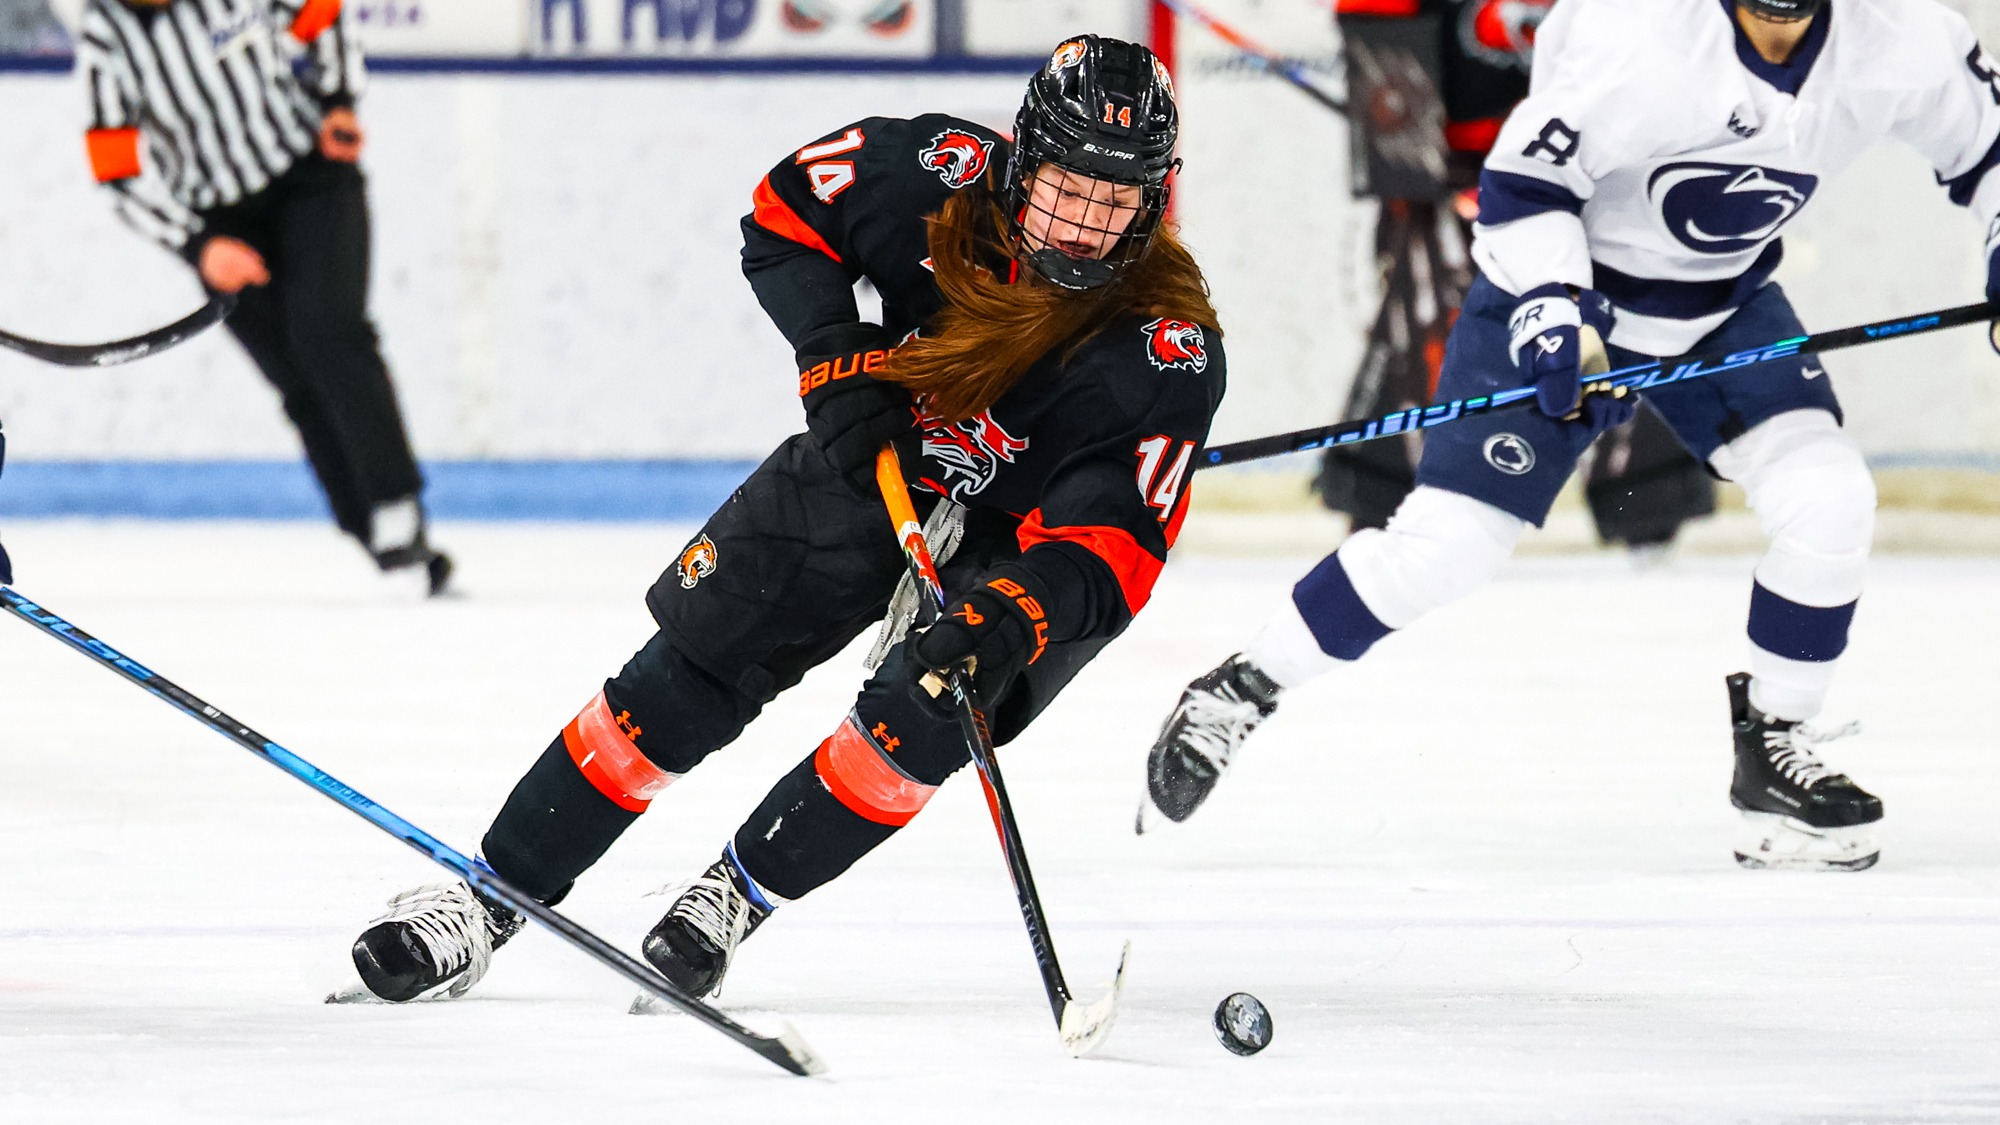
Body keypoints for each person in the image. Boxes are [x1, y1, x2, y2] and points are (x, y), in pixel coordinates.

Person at [339, 35, 1227, 1003]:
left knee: (927, 712)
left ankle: (733, 893)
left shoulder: (1165, 346)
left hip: (1017, 543)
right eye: (1067, 186)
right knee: (680, 682)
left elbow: (1113, 546)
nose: (1086, 224)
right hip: (875, 462)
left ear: (1154, 196)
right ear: (1023, 156)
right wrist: (835, 355)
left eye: (1116, 198)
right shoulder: (937, 176)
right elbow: (784, 210)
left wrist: (1014, 612)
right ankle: (487, 898)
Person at [1141, 0, 2000, 872]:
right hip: (1563, 297)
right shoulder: (1638, 33)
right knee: (1449, 547)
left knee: (1830, 495)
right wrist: (1551, 312)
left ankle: (1773, 744)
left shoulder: (1904, 38)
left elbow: (1989, 145)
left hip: (1723, 306)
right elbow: (1525, 188)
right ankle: (1243, 686)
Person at [75, 0, 451, 593]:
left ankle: (397, 511)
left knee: (329, 333)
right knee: (295, 376)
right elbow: (116, 167)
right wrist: (198, 244)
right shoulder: (107, 35)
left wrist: (338, 102)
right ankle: (373, 533)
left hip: (310, 178)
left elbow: (320, 12)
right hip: (220, 222)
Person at [1323, 0, 1715, 552]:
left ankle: (1647, 505)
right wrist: (1416, 161)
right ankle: (1388, 503)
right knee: (1428, 323)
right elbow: (1384, 49)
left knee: (1623, 329)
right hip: (1456, 174)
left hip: (1595, 171)